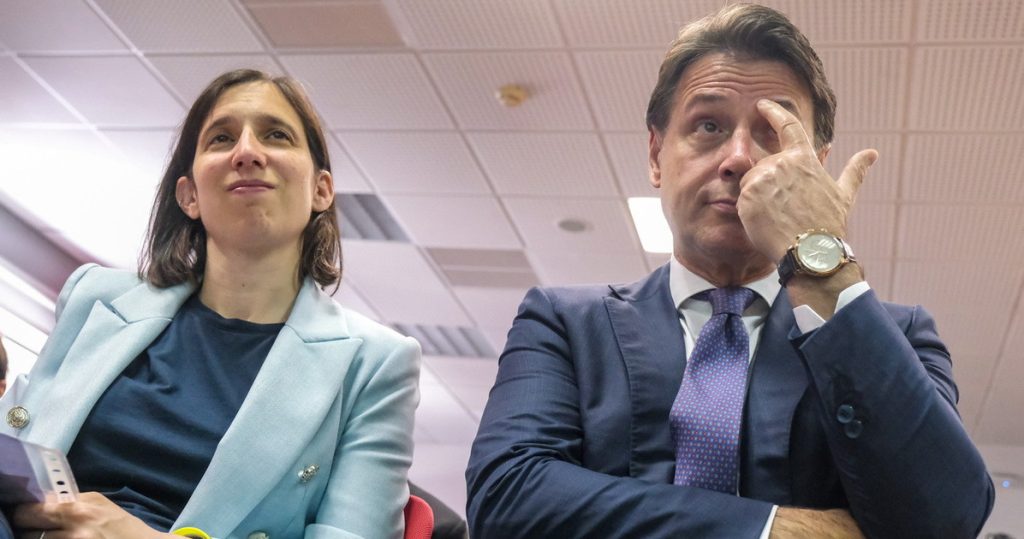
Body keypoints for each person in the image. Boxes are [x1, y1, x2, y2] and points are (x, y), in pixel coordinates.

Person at [465, 4, 993, 538]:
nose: (739, 157)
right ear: (656, 155)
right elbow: (506, 498)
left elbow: (948, 518)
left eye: (772, 133)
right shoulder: (565, 323)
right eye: (709, 125)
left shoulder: (900, 335)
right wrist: (769, 529)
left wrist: (821, 261)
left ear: (816, 169)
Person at [0, 69, 421, 538]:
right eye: (222, 138)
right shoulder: (93, 297)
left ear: (321, 190)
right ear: (189, 195)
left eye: (276, 135)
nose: (247, 152)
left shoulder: (376, 365)